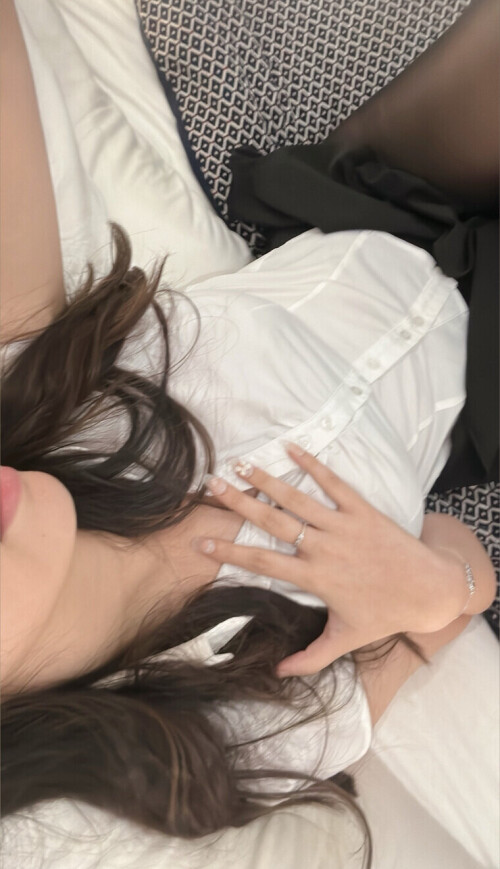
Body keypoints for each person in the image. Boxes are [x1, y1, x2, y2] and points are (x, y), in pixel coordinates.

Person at [0, 0, 496, 859]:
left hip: (365, 207)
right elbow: (459, 581)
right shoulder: (228, 727)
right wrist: (426, 589)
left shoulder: (31, 394)